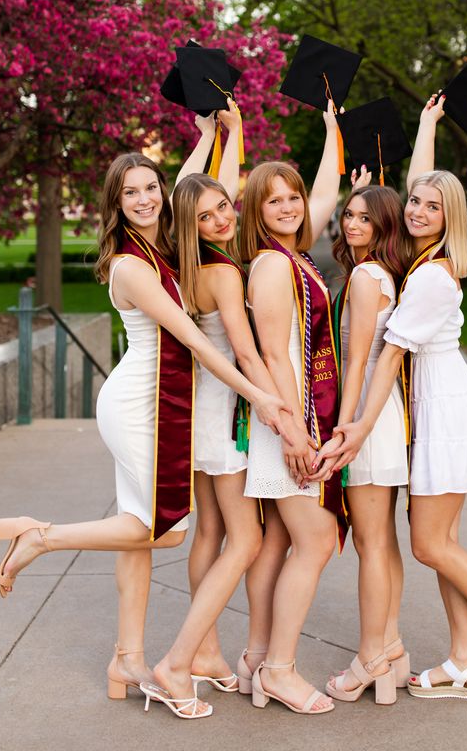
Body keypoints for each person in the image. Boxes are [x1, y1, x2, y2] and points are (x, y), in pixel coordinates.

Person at [0, 150, 289, 720]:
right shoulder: (132, 265)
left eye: (150, 188)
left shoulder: (164, 242)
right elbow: (196, 341)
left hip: (161, 399)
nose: (145, 199)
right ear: (116, 203)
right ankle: (40, 537)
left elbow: (193, 191)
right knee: (165, 530)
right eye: (130, 192)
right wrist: (260, 397)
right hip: (137, 402)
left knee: (138, 533)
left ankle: (126, 659)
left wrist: (210, 138)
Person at [325, 153, 467, 710]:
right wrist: (424, 131)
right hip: (431, 406)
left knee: (429, 544)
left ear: (451, 216)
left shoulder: (430, 274)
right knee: (443, 544)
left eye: (434, 205)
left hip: (444, 409)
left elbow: (385, 360)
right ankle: (465, 661)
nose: (420, 211)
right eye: (414, 202)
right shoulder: (423, 261)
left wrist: (355, 428)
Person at [158, 167, 290, 695]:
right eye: (205, 215)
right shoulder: (226, 273)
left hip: (197, 414)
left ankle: (208, 654)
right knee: (247, 539)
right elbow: (244, 351)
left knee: (211, 533)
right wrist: (276, 408)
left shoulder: (183, 268)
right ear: (189, 225)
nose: (219, 220)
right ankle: (181, 657)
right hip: (223, 418)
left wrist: (219, 130)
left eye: (222, 207)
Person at [238, 107, 345, 715]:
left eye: (293, 197)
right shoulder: (274, 264)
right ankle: (279, 669)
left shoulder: (294, 253)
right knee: (318, 538)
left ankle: (257, 658)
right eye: (274, 200)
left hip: (289, 421)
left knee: (278, 542)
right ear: (256, 210)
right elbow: (276, 356)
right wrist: (297, 432)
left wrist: (332, 132)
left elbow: (324, 194)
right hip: (286, 424)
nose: (289, 207)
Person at [318, 183, 411, 706]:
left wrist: (343, 426)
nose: (352, 225)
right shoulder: (383, 273)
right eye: (349, 215)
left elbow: (354, 362)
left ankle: (370, 657)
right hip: (384, 408)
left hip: (366, 413)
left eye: (365, 219)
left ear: (382, 228)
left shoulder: (364, 275)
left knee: (370, 543)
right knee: (383, 541)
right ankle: (391, 651)